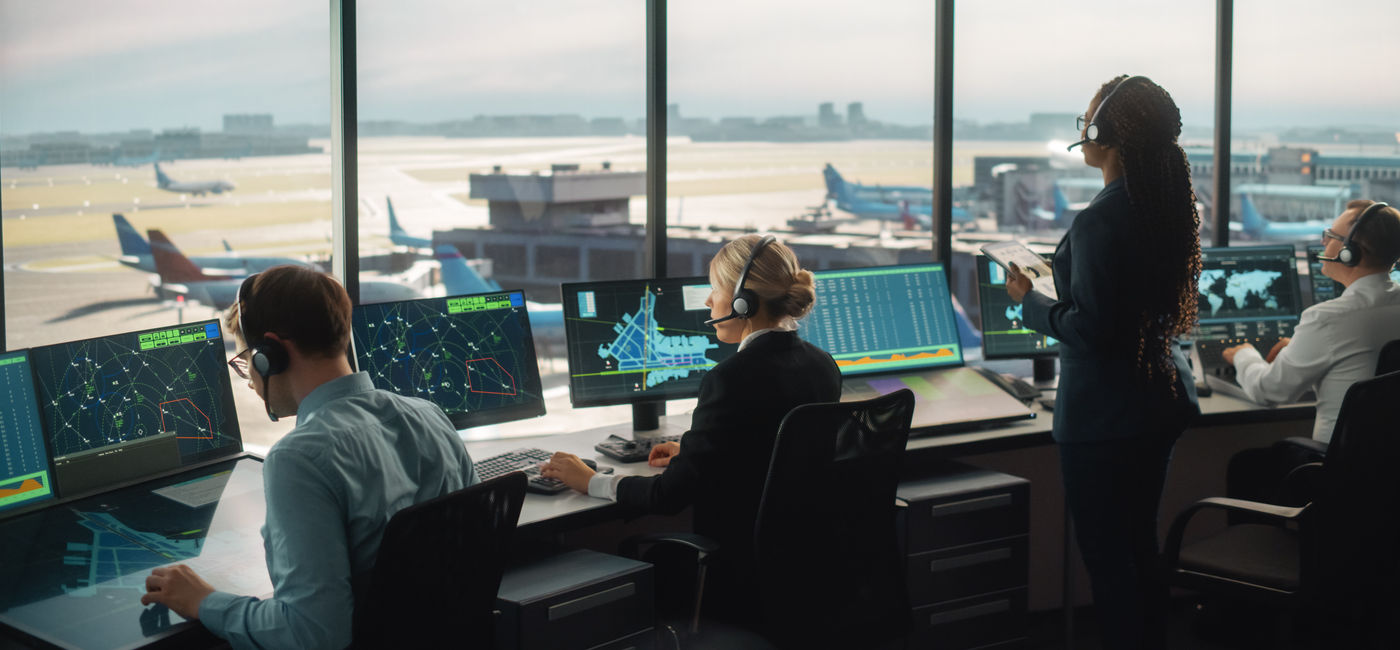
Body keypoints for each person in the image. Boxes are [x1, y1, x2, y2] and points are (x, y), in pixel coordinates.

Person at [140, 266, 477, 649]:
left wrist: (204, 602)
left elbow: (314, 634)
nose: (250, 378)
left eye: (247, 358)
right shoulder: (429, 415)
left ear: (272, 353)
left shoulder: (299, 459)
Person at [540, 234, 839, 624]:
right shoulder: (823, 365)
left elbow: (669, 496)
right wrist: (696, 451)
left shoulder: (731, 378)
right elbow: (772, 448)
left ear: (741, 302)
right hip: (804, 569)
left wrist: (591, 480)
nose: (708, 301)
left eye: (714, 289)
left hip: (740, 573)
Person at [1005, 75, 1201, 649]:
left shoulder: (1099, 220)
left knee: (1111, 566)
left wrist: (1029, 303)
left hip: (1104, 419)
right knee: (1140, 551)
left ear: (1102, 134)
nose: (1081, 130)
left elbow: (1091, 330)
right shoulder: (1164, 206)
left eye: (1086, 119)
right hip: (1158, 398)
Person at [1220, 200, 1400, 507]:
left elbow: (1270, 391)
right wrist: (1300, 349)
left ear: (1352, 252)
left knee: (1245, 466)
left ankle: (1279, 553)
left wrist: (1243, 355)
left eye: (1331, 235)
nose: (1323, 242)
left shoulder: (1329, 318)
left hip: (1337, 478)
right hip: (1387, 478)